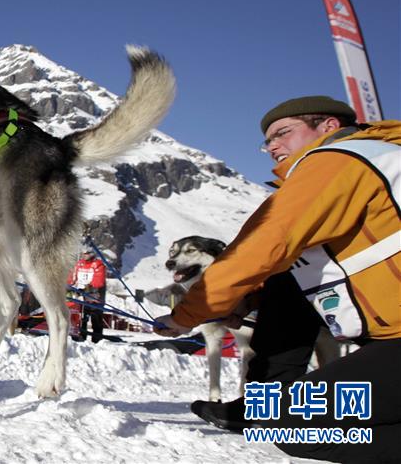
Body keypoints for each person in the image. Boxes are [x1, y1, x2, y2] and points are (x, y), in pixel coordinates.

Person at [154, 95, 400, 462]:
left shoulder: (336, 161)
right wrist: (247, 303)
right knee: (283, 285)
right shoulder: (370, 161)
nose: (272, 146)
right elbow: (313, 267)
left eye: (283, 133)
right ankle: (259, 401)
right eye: (267, 141)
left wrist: (184, 316)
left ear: (328, 127)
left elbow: (259, 247)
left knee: (285, 422)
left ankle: (264, 405)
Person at [68, 251, 107, 343]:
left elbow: (99, 281)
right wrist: (68, 286)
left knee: (96, 319)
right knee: (81, 318)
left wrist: (86, 289)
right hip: (81, 297)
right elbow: (72, 279)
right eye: (84, 253)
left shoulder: (98, 265)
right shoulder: (79, 264)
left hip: (95, 298)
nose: (85, 256)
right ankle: (80, 338)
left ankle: (97, 341)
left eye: (88, 253)